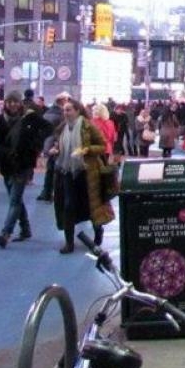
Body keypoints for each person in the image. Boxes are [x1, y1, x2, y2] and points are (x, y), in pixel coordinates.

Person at [47, 98, 116, 254]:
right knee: (68, 206)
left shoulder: (88, 126)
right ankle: (69, 243)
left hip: (88, 173)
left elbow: (103, 145)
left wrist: (87, 150)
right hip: (66, 171)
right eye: (65, 110)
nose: (66, 112)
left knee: (93, 206)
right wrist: (54, 150)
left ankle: (98, 232)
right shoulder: (62, 128)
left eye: (69, 109)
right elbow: (57, 145)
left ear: (78, 111)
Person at [0, 92, 48, 247]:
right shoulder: (0, 120)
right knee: (15, 199)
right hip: (7, 165)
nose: (13, 104)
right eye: (10, 101)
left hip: (23, 164)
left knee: (14, 200)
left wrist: (35, 146)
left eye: (15, 101)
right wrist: (5, 152)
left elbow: (48, 128)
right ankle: (26, 229)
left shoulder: (29, 118)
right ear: (6, 103)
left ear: (20, 103)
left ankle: (5, 233)